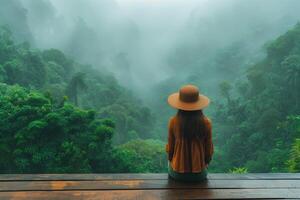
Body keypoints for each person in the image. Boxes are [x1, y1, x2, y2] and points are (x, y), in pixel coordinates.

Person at [166, 84, 213, 182]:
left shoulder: (173, 122)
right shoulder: (206, 123)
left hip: (177, 174)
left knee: (169, 163)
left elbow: (170, 149)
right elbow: (208, 150)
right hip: (199, 175)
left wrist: (172, 161)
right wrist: (205, 163)